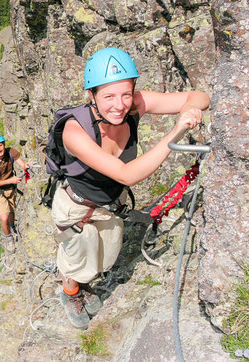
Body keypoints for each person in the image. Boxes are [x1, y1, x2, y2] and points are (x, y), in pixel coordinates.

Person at [52, 47, 209, 329]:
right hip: (77, 208)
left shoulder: (135, 105)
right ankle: (70, 292)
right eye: (108, 96)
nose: (119, 105)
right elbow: (126, 174)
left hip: (110, 204)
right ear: (92, 96)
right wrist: (176, 132)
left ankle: (84, 283)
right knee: (76, 260)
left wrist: (190, 109)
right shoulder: (75, 131)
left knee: (106, 258)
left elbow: (198, 97)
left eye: (126, 93)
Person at [0, 133, 34, 251]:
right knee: (4, 217)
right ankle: (8, 238)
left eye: (0, 146)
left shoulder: (11, 152)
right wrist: (10, 179)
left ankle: (12, 228)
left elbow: (22, 163)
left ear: (4, 145)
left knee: (11, 213)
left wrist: (27, 165)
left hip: (10, 188)